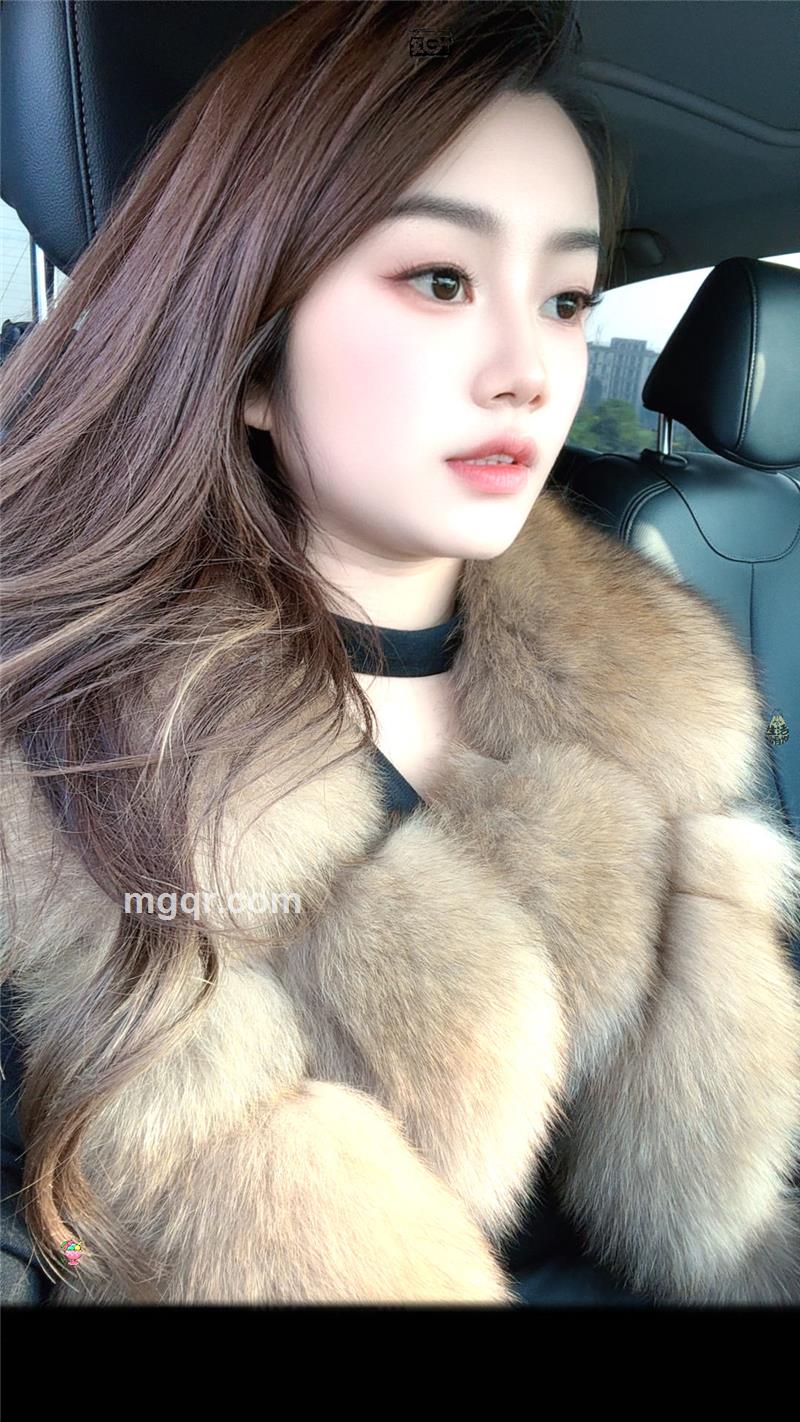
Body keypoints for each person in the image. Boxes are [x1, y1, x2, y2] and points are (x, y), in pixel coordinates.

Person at [2, 1, 799, 1307]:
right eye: (441, 280)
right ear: (247, 345)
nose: (530, 371)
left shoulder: (671, 716)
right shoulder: (57, 781)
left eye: (566, 299)